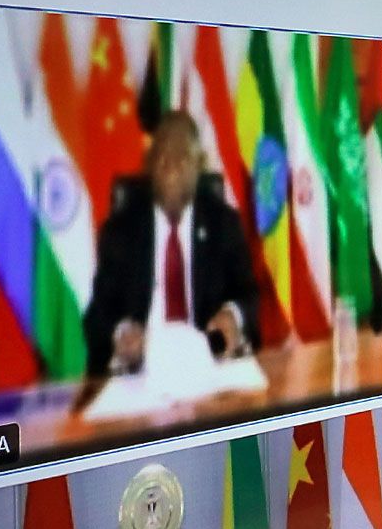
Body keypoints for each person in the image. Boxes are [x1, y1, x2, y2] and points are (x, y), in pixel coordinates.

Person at [81, 111, 262, 374]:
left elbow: (249, 296)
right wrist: (121, 334)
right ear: (149, 165)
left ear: (200, 166)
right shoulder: (120, 230)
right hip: (141, 373)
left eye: (183, 156)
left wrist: (233, 316)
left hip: (208, 368)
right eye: (163, 156)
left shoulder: (224, 224)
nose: (172, 166)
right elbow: (97, 315)